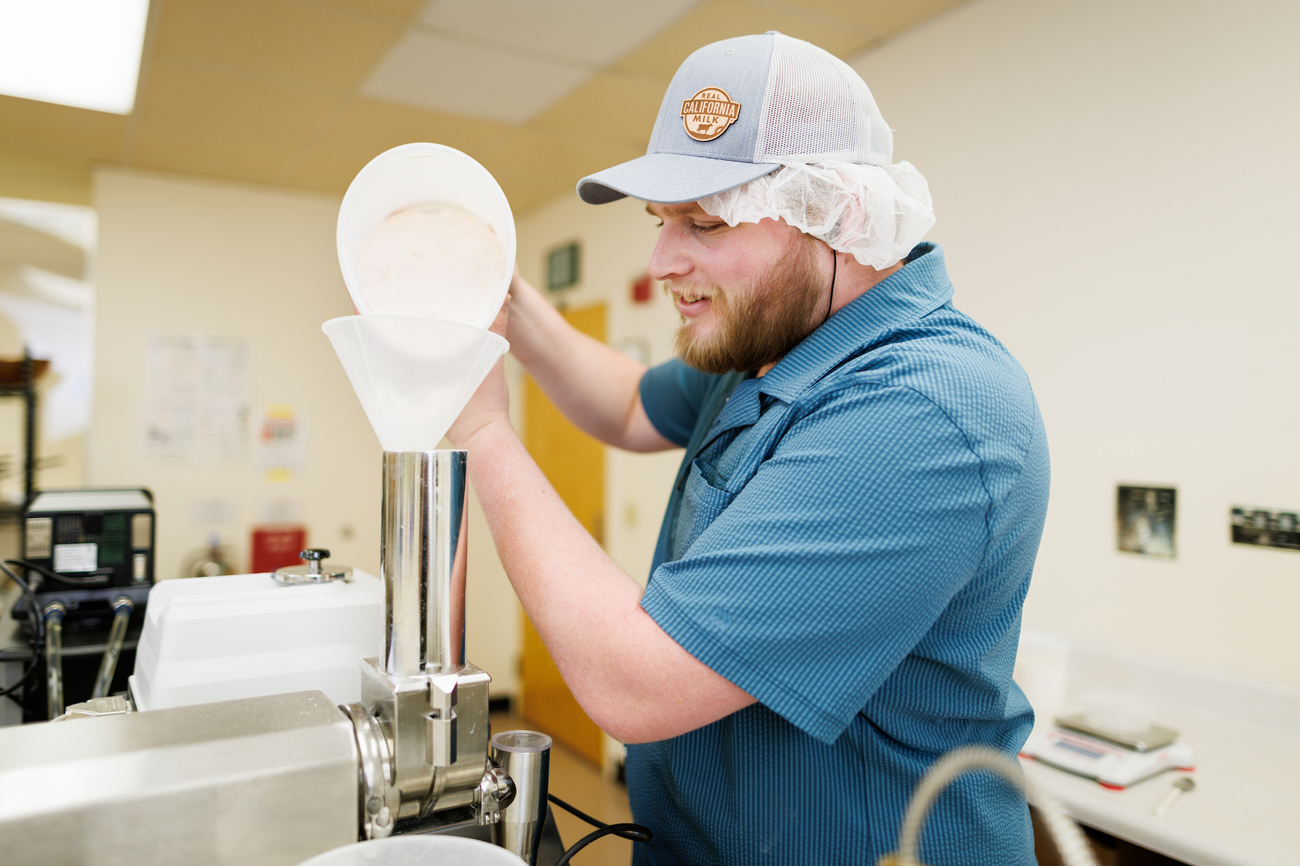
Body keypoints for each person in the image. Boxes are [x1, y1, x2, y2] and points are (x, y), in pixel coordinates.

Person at [447, 31, 1049, 866]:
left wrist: (479, 429)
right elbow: (627, 403)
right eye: (661, 222)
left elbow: (637, 681)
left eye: (703, 222)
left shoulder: (922, 410)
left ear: (837, 217)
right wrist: (503, 305)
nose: (662, 261)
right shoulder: (778, 344)